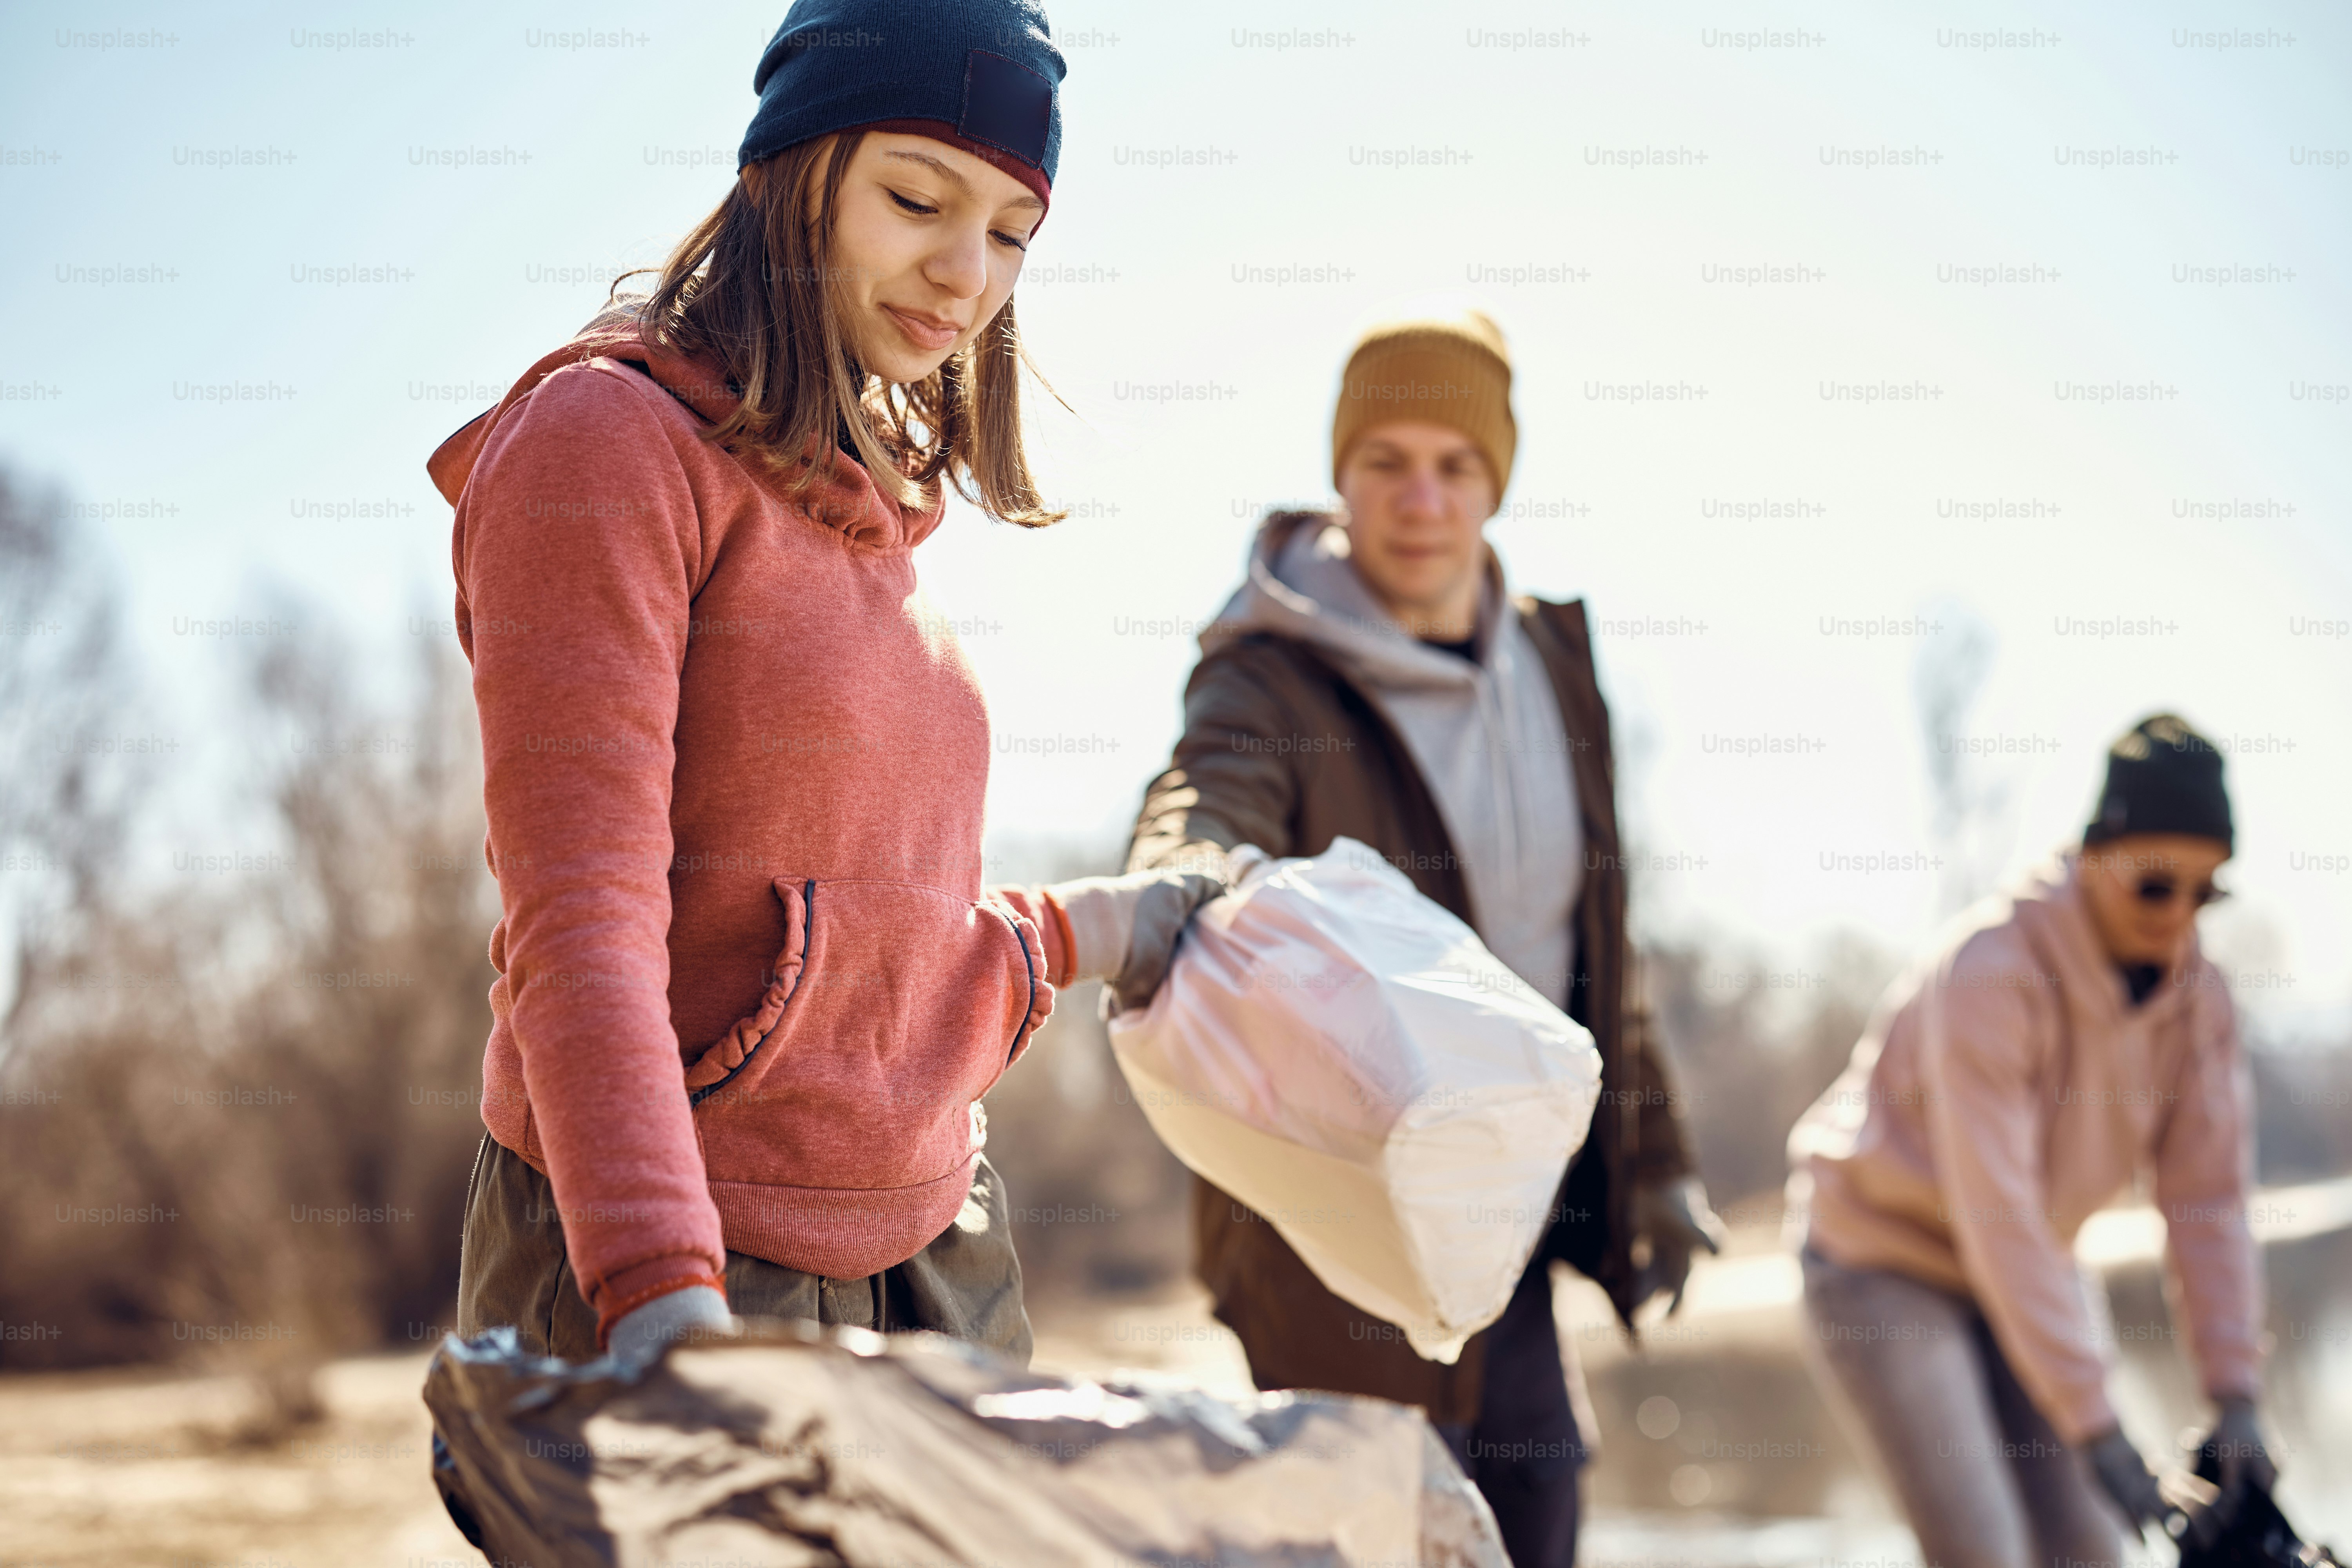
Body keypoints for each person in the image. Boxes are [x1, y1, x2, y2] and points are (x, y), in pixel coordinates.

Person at [430, 0, 1204, 1369]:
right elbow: (583, 927)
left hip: (943, 1253)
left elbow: (878, 936)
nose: (968, 272)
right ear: (793, 173)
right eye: (918, 196)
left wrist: (1101, 928)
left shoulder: (884, 522)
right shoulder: (605, 448)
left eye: (1015, 232)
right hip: (672, 1257)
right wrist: (663, 1298)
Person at [1122, 308, 1720, 1568]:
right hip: (1334, 1207)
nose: (1421, 498)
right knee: (1394, 1536)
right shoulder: (1270, 669)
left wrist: (1655, 1157)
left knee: (1537, 1507)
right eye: (1385, 460)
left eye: (1455, 465)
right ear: (1340, 474)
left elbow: (1598, 949)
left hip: (1507, 1204)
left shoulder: (1556, 665)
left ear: (1496, 481)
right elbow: (1208, 789)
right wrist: (1176, 876)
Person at [1787, 715, 2276, 1567]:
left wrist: (2236, 1394)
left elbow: (2209, 1201)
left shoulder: (2201, 999)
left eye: (2207, 893)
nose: (2180, 915)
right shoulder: (1992, 971)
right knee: (1986, 1551)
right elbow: (1995, 1210)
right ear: (2094, 856)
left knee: (2090, 1552)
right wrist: (2105, 1438)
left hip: (2030, 1264)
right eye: (2156, 885)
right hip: (1884, 1262)